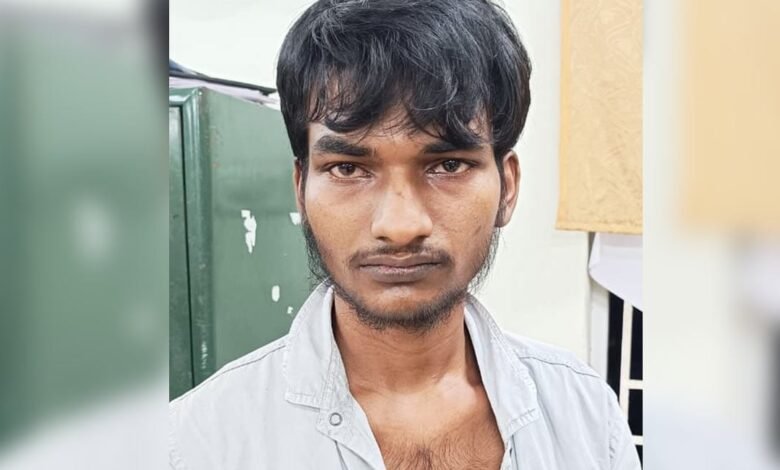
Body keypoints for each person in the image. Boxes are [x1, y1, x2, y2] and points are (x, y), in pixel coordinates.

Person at [169, 0, 641, 468]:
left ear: (508, 186)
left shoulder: (587, 420)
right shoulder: (191, 445)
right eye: (348, 168)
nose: (399, 227)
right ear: (301, 188)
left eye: (448, 165)